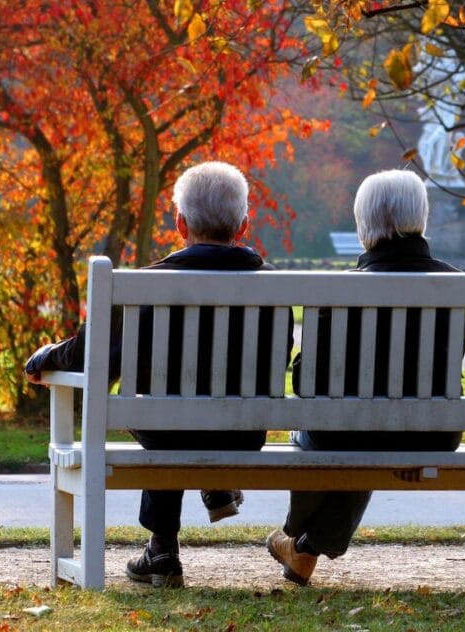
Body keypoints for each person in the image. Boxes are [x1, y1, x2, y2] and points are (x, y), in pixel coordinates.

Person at [25, 161, 292, 588]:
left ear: (180, 223)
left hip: (166, 432)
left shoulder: (145, 287)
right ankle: (217, 483)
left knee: (160, 406)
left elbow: (93, 356)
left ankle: (163, 551)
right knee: (180, 408)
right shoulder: (275, 288)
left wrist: (46, 356)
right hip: (242, 434)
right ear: (244, 225)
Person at [266, 169, 465, 586]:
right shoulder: (455, 286)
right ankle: (304, 549)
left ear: (363, 226)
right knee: (367, 430)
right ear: (421, 218)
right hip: (430, 436)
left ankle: (294, 532)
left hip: (347, 435)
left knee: (338, 430)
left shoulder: (339, 293)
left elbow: (307, 384)